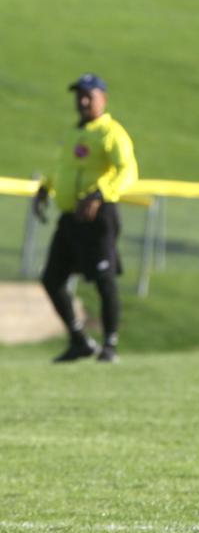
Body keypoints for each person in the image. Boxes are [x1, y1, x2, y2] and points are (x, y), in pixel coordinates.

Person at [32, 73, 139, 365]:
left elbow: (127, 171)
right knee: (52, 278)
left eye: (88, 95)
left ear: (103, 99)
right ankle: (79, 340)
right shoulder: (73, 133)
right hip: (70, 218)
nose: (82, 101)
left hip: (97, 216)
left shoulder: (111, 133)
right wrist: (46, 186)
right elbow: (64, 168)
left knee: (104, 279)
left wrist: (99, 194)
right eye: (79, 95)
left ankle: (110, 345)